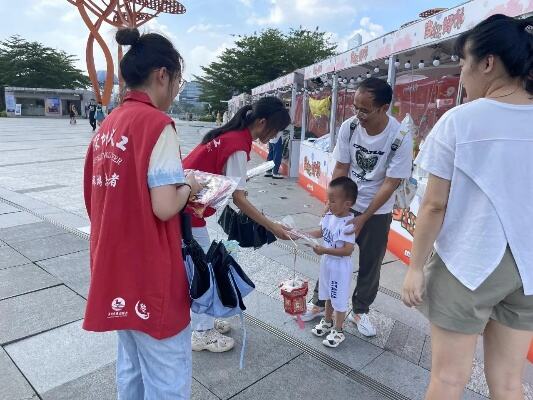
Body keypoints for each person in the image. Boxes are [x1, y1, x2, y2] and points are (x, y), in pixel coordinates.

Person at [402, 14, 533, 400]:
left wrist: (414, 268)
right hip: (528, 269)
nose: (462, 75)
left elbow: (433, 207)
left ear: (487, 63)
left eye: (463, 64)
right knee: (509, 383)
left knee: (447, 380)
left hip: (468, 261)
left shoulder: (460, 121)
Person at [83, 27, 201, 399]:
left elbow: (96, 197)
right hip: (151, 275)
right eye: (177, 83)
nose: (175, 93)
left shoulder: (108, 125)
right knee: (168, 380)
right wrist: (191, 187)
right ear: (162, 75)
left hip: (112, 269)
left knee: (131, 370)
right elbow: (165, 206)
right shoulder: (157, 125)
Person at [301, 78, 413, 338]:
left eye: (365, 110)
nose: (358, 114)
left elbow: (390, 182)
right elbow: (341, 167)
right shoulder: (350, 128)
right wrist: (332, 205)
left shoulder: (400, 136)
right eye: (355, 107)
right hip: (346, 204)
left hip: (378, 210)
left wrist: (364, 217)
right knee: (332, 254)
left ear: (384, 108)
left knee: (371, 263)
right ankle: (320, 303)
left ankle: (360, 310)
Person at [183, 97, 292, 353]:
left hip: (185, 205)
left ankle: (205, 319)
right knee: (204, 269)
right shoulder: (237, 145)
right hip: (186, 210)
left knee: (203, 265)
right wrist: (272, 226)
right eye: (275, 129)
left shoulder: (231, 135)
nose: (274, 135)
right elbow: (239, 199)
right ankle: (201, 331)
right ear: (262, 122)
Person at [306, 177, 358, 348]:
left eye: (333, 201)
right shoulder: (329, 215)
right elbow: (321, 231)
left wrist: (325, 250)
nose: (329, 203)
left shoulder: (349, 223)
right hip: (327, 262)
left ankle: (338, 329)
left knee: (339, 297)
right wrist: (302, 234)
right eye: (328, 199)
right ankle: (327, 321)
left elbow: (348, 250)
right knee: (328, 293)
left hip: (339, 266)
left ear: (347, 204)